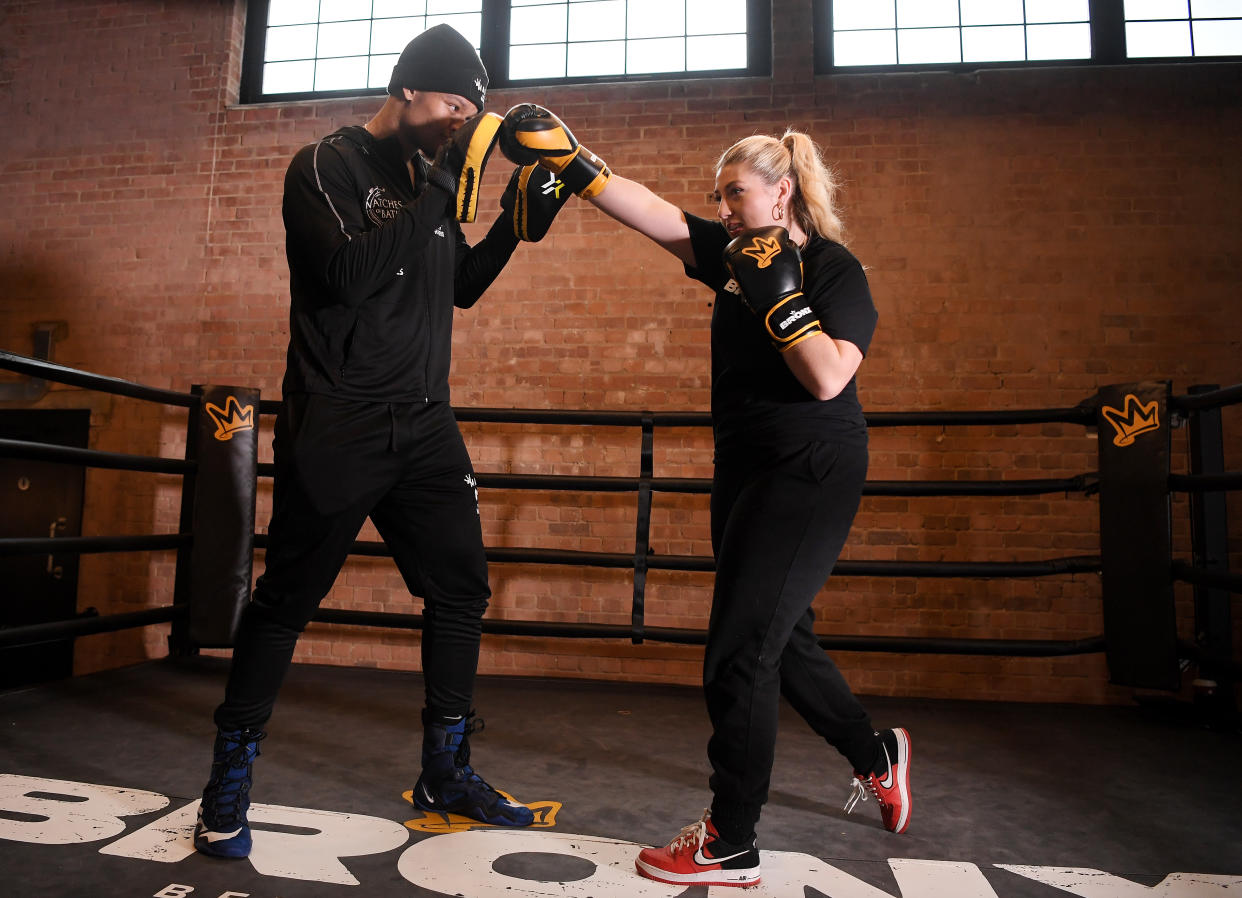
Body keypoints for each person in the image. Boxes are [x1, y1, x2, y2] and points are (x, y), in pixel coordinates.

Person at [499, 106, 911, 887]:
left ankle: (731, 840)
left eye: (734, 195)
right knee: (779, 641)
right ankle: (874, 753)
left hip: (811, 464)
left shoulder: (832, 270)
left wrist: (780, 299)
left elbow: (828, 376)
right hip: (747, 468)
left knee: (737, 651)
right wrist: (573, 160)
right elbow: (651, 211)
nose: (722, 210)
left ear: (781, 192)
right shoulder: (728, 254)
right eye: (717, 198)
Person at [193, 26, 567, 859]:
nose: (460, 123)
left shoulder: (425, 180)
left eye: (472, 112)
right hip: (340, 420)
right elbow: (350, 276)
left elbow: (457, 289)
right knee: (286, 600)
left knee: (462, 589)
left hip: (425, 423)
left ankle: (446, 770)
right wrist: (447, 178)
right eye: (450, 106)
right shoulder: (325, 167)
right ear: (405, 89)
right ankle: (227, 784)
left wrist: (513, 220)